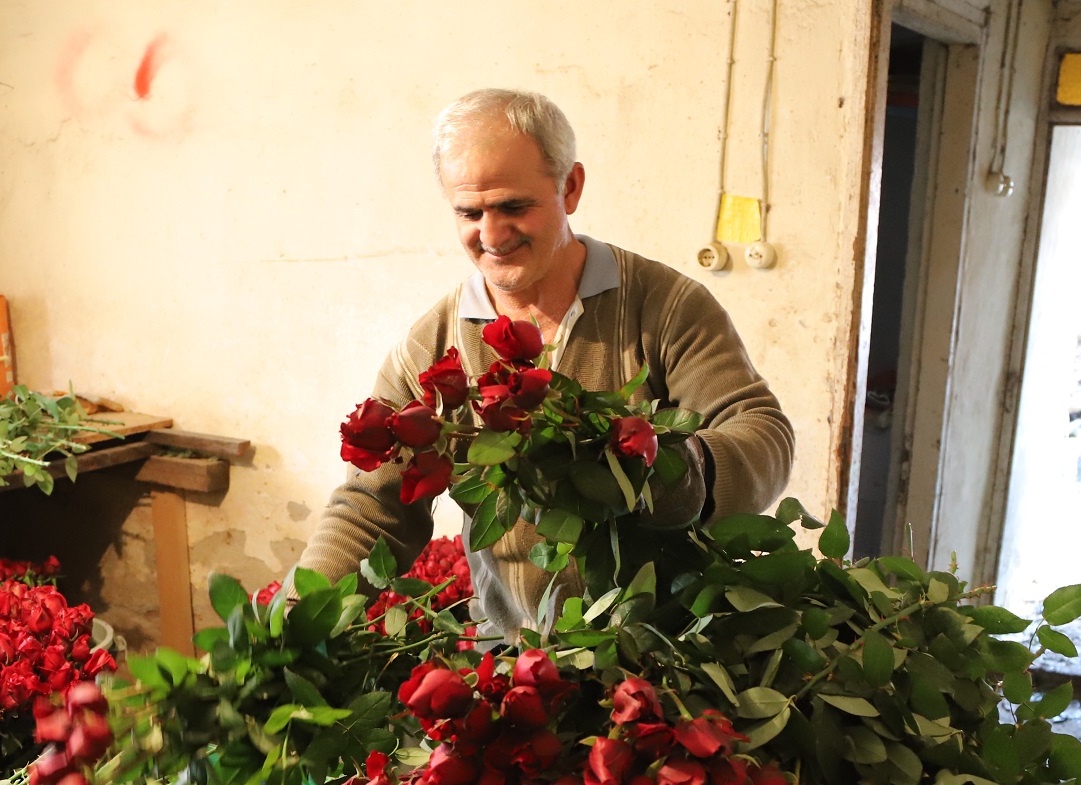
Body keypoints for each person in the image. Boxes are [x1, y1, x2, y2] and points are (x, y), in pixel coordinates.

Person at [296, 88, 794, 638]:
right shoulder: (434, 347)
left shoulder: (664, 308)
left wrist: (681, 472)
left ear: (570, 187)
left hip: (668, 650)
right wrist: (297, 616)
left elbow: (762, 433)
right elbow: (372, 505)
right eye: (469, 212)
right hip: (515, 659)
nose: (491, 235)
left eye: (513, 207)